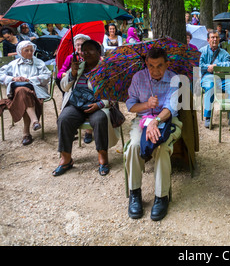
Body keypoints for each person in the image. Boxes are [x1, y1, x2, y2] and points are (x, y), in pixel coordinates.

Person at [125, 47, 182, 221]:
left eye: (159, 66)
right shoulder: (138, 78)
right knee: (133, 147)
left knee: (162, 147)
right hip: (142, 120)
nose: (155, 71)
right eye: (151, 66)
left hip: (167, 121)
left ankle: (161, 196)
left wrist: (155, 122)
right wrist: (146, 105)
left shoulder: (174, 79)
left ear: (167, 64)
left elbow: (171, 108)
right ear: (146, 64)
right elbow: (130, 105)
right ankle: (135, 193)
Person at [52, 40, 120, 177]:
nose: (86, 53)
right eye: (84, 50)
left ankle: (102, 157)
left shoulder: (106, 68)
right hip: (76, 104)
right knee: (64, 118)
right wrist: (72, 74)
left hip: (97, 104)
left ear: (99, 52)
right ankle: (66, 159)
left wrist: (99, 105)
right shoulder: (78, 66)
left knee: (100, 119)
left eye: (90, 50)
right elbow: (64, 88)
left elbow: (113, 92)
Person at [0, 41, 51, 145]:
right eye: (26, 50)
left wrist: (29, 80)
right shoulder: (13, 64)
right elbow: (1, 74)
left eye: (31, 50)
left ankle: (26, 133)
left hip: (35, 91)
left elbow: (47, 76)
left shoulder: (38, 62)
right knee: (22, 91)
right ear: (20, 51)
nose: (30, 52)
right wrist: (14, 78)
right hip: (18, 93)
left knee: (22, 92)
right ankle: (34, 121)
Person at [199, 30, 230, 129]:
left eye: (217, 37)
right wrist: (208, 67)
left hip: (222, 79)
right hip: (208, 77)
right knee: (210, 87)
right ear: (208, 40)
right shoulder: (202, 51)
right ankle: (208, 116)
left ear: (219, 39)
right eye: (212, 37)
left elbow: (229, 63)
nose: (215, 39)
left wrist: (217, 66)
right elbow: (199, 64)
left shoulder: (223, 53)